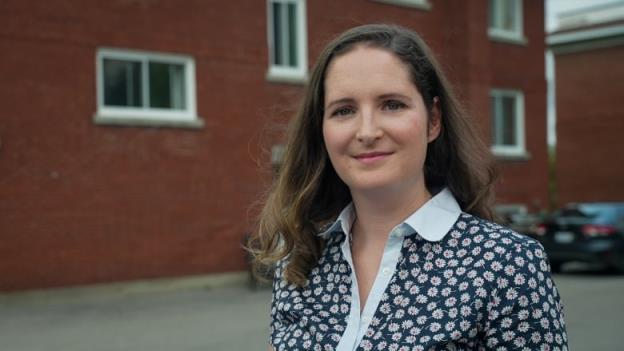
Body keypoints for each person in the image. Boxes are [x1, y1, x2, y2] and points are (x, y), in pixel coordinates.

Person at [249, 24, 568, 351]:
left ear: (433, 120)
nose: (367, 131)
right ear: (322, 130)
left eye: (392, 104)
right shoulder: (298, 259)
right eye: (344, 110)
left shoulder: (507, 264)